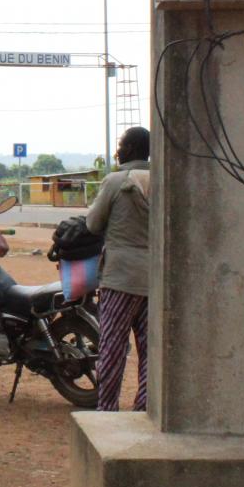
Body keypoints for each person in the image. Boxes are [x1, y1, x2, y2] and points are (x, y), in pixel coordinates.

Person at [85, 126, 152, 412]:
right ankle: (145, 408)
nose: (118, 150)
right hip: (155, 279)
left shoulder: (115, 181)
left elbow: (92, 224)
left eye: (122, 144)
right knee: (151, 351)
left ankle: (108, 409)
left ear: (132, 149)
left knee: (112, 347)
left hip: (120, 278)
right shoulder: (164, 180)